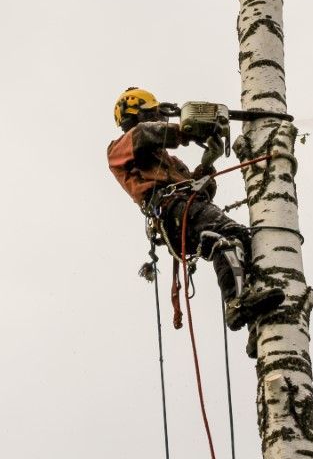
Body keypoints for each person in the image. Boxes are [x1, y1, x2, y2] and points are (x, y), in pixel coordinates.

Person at [107, 87, 283, 341]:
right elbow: (144, 134)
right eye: (152, 115)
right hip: (171, 210)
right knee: (227, 234)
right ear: (134, 116)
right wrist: (186, 131)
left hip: (184, 208)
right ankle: (235, 302)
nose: (159, 121)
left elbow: (200, 188)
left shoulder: (170, 162)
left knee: (238, 241)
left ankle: (256, 326)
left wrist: (207, 163)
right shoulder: (120, 148)